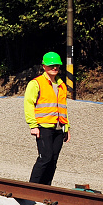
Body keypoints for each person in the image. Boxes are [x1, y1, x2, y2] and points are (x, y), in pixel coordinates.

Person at [24, 51, 70, 185]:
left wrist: (66, 127)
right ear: (44, 66)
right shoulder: (36, 83)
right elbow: (28, 104)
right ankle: (33, 188)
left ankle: (46, 189)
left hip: (58, 128)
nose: (54, 68)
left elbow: (63, 108)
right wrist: (33, 125)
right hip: (43, 126)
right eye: (51, 65)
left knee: (54, 160)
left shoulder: (61, 85)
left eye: (56, 65)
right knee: (45, 157)